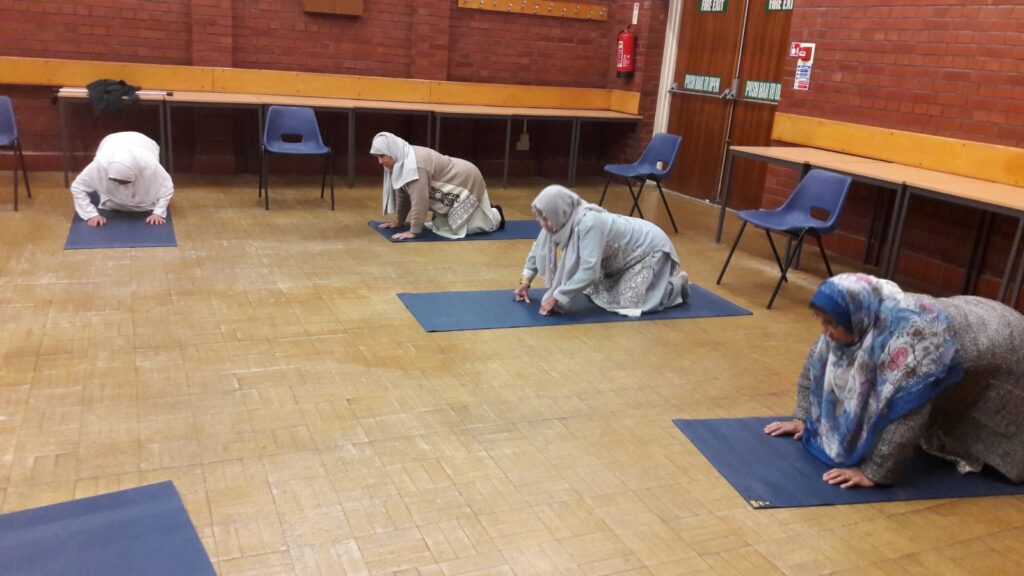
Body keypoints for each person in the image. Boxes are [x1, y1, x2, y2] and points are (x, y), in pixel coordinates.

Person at [765, 273, 1024, 488]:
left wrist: (874, 473)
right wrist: (803, 416)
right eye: (821, 321)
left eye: (830, 323)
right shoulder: (857, 316)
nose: (824, 330)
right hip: (974, 319)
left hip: (1007, 351)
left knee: (994, 430)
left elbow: (906, 413)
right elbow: (816, 365)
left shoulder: (913, 345)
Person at [514, 184, 689, 317]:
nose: (544, 224)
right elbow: (539, 247)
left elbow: (589, 271)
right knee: (597, 293)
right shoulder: (562, 218)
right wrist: (525, 281)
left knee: (631, 303)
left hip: (649, 249)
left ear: (557, 211)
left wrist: (558, 297)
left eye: (546, 218)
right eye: (541, 218)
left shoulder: (589, 222)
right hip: (621, 258)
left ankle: (675, 286)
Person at [370, 132, 504, 240]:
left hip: (466, 179)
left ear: (392, 150)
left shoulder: (415, 166)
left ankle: (496, 215)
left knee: (464, 228)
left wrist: (414, 231)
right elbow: (403, 192)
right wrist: (399, 221)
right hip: (458, 176)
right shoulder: (401, 159)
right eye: (377, 157)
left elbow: (420, 200)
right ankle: (483, 211)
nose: (380, 162)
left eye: (382, 156)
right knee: (442, 225)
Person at [70, 131, 174, 227]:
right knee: (111, 199)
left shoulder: (150, 165)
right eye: (117, 181)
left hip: (144, 143)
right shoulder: (99, 165)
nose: (121, 185)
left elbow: (167, 187)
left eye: (126, 182)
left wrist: (158, 213)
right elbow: (77, 187)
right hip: (110, 142)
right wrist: (91, 214)